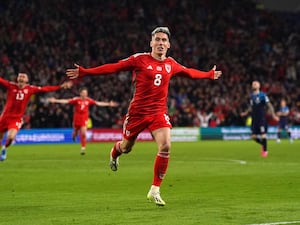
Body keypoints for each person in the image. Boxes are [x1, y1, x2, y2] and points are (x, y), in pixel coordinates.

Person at [66, 27, 222, 206]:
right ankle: (115, 152)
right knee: (126, 148)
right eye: (158, 40)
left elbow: (190, 73)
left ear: (169, 45)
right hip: (137, 113)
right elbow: (114, 67)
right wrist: (86, 72)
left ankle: (155, 189)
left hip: (158, 112)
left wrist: (209, 74)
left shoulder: (171, 63)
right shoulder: (139, 59)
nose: (161, 43)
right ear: (151, 43)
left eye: (164, 40)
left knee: (166, 147)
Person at [0, 73, 72, 161]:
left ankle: (5, 148)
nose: (22, 77)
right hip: (5, 117)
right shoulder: (11, 85)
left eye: (24, 76)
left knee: (11, 137)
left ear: (27, 80)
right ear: (17, 78)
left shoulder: (30, 89)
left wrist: (60, 87)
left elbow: (45, 89)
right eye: (20, 76)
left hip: (16, 119)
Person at [48, 87, 118, 155]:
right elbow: (66, 101)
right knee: (75, 132)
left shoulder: (88, 100)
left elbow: (98, 103)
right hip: (76, 119)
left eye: (86, 93)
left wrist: (108, 104)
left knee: (83, 133)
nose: (85, 94)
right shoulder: (76, 100)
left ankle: (83, 148)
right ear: (80, 93)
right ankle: (74, 137)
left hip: (84, 119)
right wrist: (56, 100)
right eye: (84, 93)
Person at [241, 80, 278, 157]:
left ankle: (265, 151)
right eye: (253, 84)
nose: (254, 84)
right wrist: (245, 112)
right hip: (254, 119)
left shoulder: (263, 95)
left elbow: (269, 105)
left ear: (259, 86)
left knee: (263, 135)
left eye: (255, 83)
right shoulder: (251, 96)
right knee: (253, 137)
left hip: (261, 118)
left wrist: (273, 115)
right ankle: (263, 144)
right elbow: (251, 107)